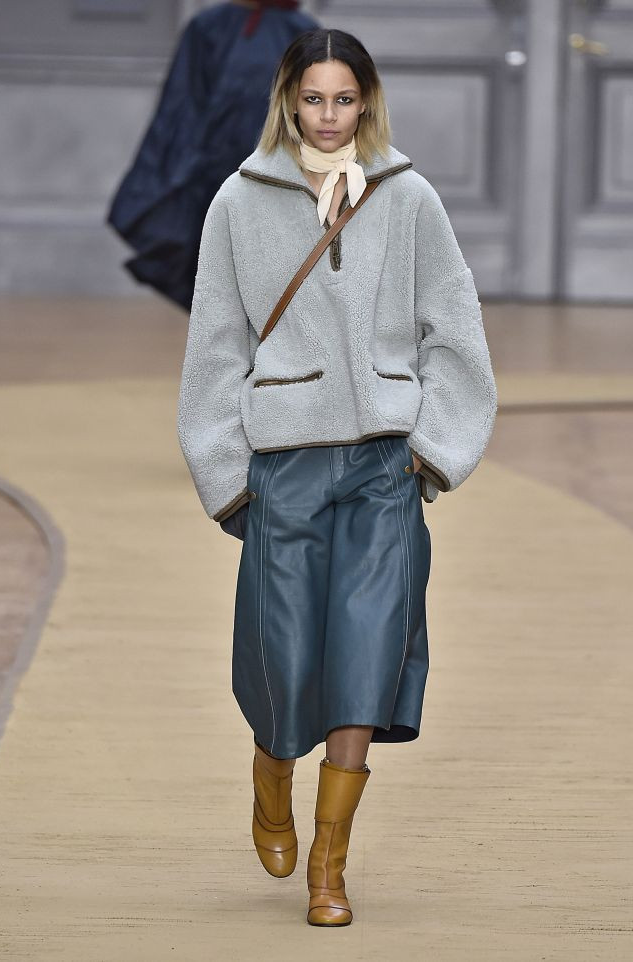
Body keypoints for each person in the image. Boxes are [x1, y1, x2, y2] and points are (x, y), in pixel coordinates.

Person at [177, 28, 497, 927]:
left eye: (344, 99)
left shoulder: (409, 198)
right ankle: (271, 771)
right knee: (281, 660)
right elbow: (215, 344)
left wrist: (432, 449)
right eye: (312, 99)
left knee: (368, 651)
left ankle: (330, 863)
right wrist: (225, 471)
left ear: (368, 101)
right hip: (284, 461)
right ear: (288, 100)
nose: (327, 117)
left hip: (383, 463)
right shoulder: (238, 202)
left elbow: (455, 325)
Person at [106, 0, 318, 311]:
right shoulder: (209, 27)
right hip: (212, 172)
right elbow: (181, 105)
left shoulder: (304, 33)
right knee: (216, 269)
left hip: (278, 173)